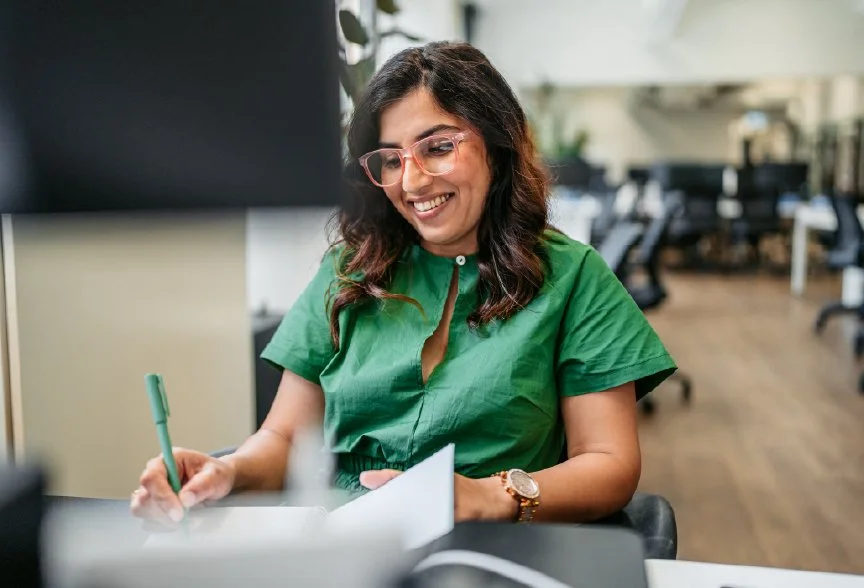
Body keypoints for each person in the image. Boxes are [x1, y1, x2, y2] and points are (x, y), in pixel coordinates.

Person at [131, 41, 676, 527]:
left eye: (438, 147)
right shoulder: (349, 269)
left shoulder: (574, 276)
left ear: (497, 144)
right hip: (343, 540)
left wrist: (490, 497)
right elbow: (285, 438)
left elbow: (608, 464)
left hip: (493, 542)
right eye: (391, 159)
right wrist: (227, 472)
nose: (411, 181)